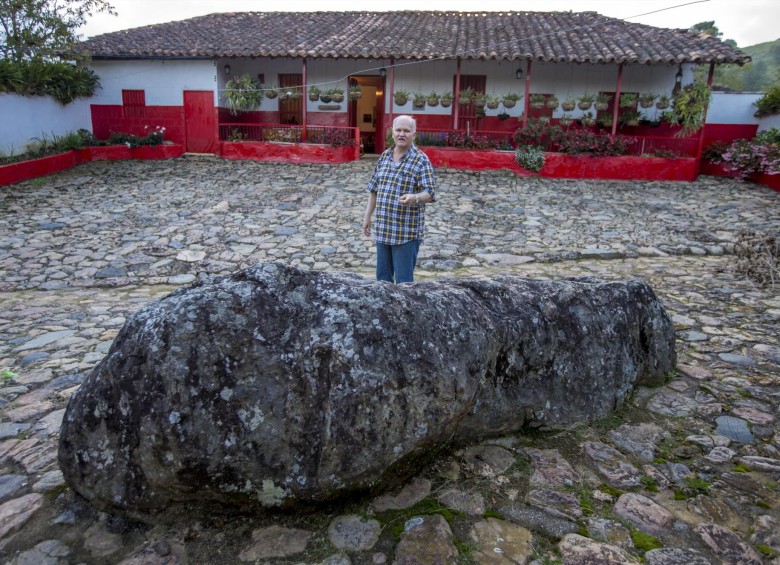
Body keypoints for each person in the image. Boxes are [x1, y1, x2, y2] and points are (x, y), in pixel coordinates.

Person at [362, 115, 437, 283]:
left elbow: (430, 193)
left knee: (404, 283)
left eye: (406, 131)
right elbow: (373, 190)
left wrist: (415, 198)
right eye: (398, 130)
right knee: (382, 281)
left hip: (406, 233)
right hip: (383, 230)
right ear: (392, 132)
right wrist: (367, 217)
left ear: (414, 134)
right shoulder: (385, 156)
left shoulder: (421, 160)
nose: (402, 134)